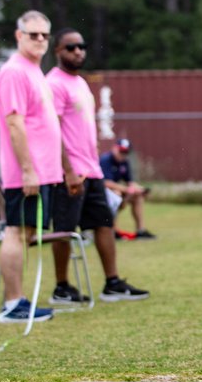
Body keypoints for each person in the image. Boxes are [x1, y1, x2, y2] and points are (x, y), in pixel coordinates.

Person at [47, 28, 149, 303]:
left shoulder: (80, 83)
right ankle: (62, 287)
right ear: (58, 51)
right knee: (65, 231)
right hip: (70, 173)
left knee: (104, 224)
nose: (78, 51)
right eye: (71, 47)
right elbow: (52, 130)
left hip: (92, 170)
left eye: (82, 46)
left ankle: (112, 283)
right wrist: (67, 171)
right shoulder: (54, 83)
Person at [0, 10, 64, 323]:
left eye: (44, 35)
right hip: (26, 172)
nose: (39, 40)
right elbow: (14, 122)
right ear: (18, 35)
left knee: (25, 232)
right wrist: (27, 169)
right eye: (32, 34)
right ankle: (13, 304)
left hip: (43, 172)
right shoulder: (14, 72)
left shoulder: (35, 70)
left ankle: (19, 299)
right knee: (16, 231)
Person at [100, 138, 155, 239]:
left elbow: (130, 182)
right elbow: (106, 183)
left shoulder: (124, 162)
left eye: (125, 152)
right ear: (114, 148)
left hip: (119, 192)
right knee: (117, 194)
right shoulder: (105, 160)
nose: (123, 154)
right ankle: (113, 230)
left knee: (137, 196)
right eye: (121, 151)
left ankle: (140, 230)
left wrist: (140, 189)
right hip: (103, 194)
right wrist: (126, 190)